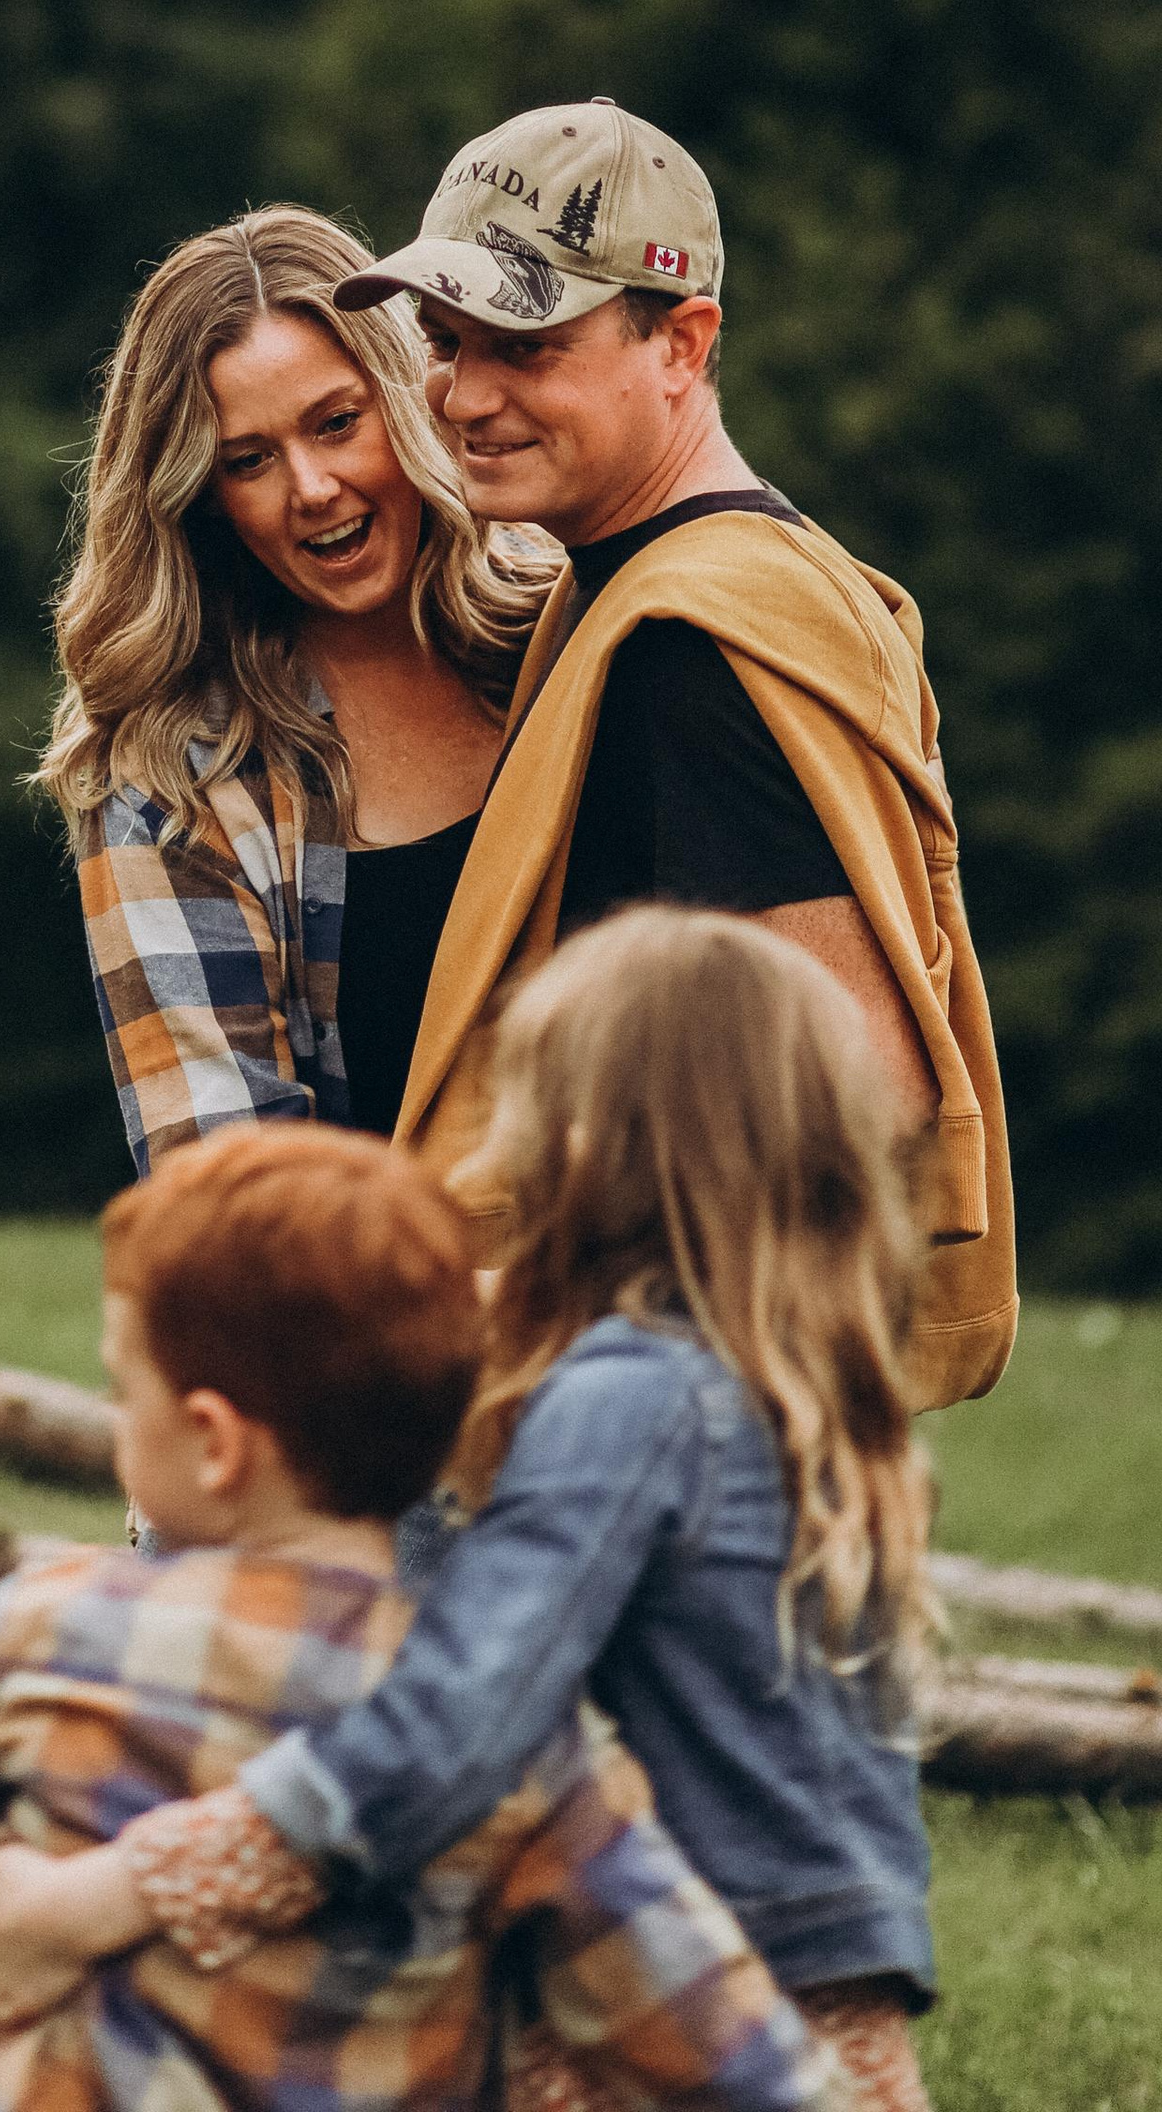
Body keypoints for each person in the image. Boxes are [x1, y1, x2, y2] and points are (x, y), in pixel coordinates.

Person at [0, 915, 942, 2112]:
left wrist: (124, 1888)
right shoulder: (792, 1391)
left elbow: (463, 1721)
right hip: (832, 2001)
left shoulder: (634, 1397)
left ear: (585, 1141)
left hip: (682, 2013)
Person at [0, 1117, 838, 2112]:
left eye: (123, 1388)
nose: (118, 1414)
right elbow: (708, 2037)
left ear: (215, 1442)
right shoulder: (508, 1740)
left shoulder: (40, 1628)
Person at [333, 94, 1013, 1412]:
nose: (463, 394)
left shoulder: (697, 640)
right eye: (443, 337)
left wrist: (592, 1371)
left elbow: (853, 1090)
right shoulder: (643, 585)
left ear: (681, 343)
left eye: (524, 344)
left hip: (636, 1416)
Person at [42, 206, 556, 1163]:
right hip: (393, 1303)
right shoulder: (177, 787)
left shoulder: (575, 626)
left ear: (410, 401)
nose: (312, 486)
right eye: (249, 460)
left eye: (337, 423)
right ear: (200, 498)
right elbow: (236, 1194)